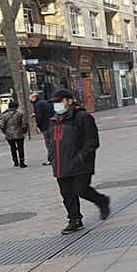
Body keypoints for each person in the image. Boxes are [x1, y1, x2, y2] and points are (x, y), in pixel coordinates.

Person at [48, 88, 110, 234]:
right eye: (55, 102)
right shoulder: (54, 120)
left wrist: (81, 157)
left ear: (69, 101)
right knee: (67, 194)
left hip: (80, 163)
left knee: (81, 190)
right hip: (60, 164)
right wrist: (51, 157)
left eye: (60, 101)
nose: (57, 105)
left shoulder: (82, 117)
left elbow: (92, 141)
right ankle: (75, 220)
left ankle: (101, 201)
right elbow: (51, 141)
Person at [1, 100, 28, 167]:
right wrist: (24, 131)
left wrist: (5, 132)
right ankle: (22, 162)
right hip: (19, 133)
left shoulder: (4, 115)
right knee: (20, 147)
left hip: (9, 134)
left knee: (12, 148)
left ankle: (15, 161)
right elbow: (24, 124)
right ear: (16, 107)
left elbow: (2, 126)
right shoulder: (20, 114)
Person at [31, 91, 54, 166]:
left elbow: (40, 117)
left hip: (46, 125)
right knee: (52, 142)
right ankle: (53, 158)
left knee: (49, 143)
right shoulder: (44, 102)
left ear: (34, 97)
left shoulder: (37, 105)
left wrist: (38, 125)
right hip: (51, 124)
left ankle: (51, 159)